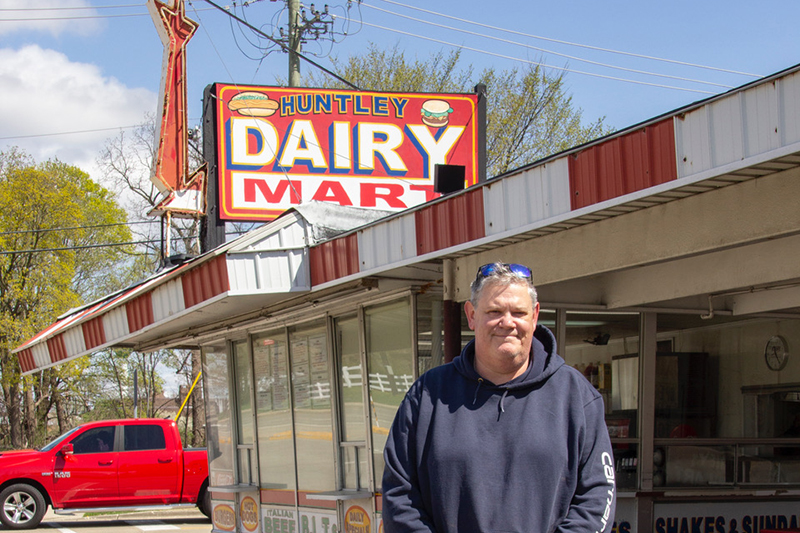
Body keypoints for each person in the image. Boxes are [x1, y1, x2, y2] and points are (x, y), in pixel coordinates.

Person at [382, 262, 616, 533]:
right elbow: (399, 494)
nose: (508, 322)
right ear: (471, 315)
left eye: (518, 312)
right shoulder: (427, 396)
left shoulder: (576, 396)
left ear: (535, 315)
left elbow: (598, 496)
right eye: (494, 311)